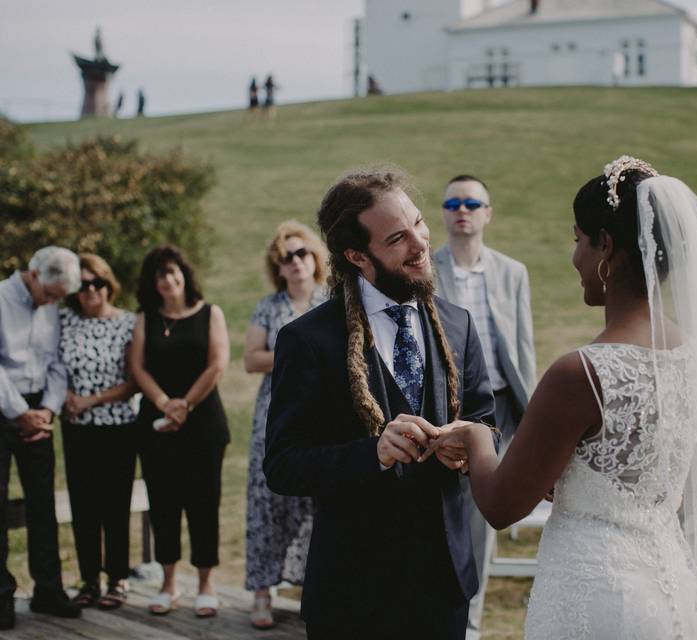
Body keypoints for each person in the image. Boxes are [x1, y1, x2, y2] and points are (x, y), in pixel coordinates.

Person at [424, 156, 697, 639]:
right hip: (671, 585)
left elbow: (503, 506)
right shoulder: (695, 358)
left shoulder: (581, 372)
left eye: (578, 241)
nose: (575, 258)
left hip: (597, 597)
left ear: (605, 246)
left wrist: (478, 438)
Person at [263, 167, 496, 639]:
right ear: (356, 255)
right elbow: (284, 465)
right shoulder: (307, 341)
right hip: (353, 597)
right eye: (397, 238)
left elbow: (487, 423)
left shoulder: (458, 324)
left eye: (419, 223)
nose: (420, 243)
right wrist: (373, 453)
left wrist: (469, 443)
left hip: (444, 588)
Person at [432, 174, 535, 639]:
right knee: (440, 510)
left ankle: (469, 624)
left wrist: (531, 410)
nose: (463, 210)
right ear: (444, 212)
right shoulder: (428, 269)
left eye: (473, 203)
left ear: (487, 213)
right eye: (454, 202)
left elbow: (523, 345)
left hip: (499, 409)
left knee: (484, 515)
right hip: (444, 408)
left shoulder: (512, 272)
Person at [129, 246, 230, 618]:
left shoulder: (210, 313)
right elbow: (137, 368)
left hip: (203, 426)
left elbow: (217, 364)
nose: (168, 280)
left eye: (172, 272)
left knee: (204, 503)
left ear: (184, 274)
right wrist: (163, 403)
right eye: (159, 276)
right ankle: (168, 583)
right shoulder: (146, 319)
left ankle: (206, 584)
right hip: (156, 427)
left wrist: (185, 404)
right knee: (164, 505)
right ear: (152, 285)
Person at [243, 221, 329, 630]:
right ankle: (262, 593)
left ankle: (313, 590)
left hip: (323, 414)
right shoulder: (268, 306)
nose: (295, 262)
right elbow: (251, 359)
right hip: (273, 412)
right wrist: (303, 356)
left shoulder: (332, 300)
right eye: (286, 257)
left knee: (317, 503)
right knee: (267, 501)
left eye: (301, 253)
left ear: (316, 258)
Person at [0, 246, 83, 630]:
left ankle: (48, 590)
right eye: (50, 295)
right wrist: (20, 413)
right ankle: (1, 599)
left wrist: (47, 410)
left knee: (42, 502)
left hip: (40, 413)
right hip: (5, 408)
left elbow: (56, 362)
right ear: (33, 275)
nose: (53, 303)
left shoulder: (52, 307)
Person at [59, 254, 138, 610]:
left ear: (108, 285)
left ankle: (117, 578)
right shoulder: (65, 321)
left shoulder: (127, 323)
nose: (90, 291)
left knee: (114, 504)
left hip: (117, 426)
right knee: (83, 504)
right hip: (77, 429)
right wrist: (67, 399)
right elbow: (51, 365)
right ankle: (89, 578)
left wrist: (90, 400)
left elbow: (132, 382)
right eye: (83, 285)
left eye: (97, 283)